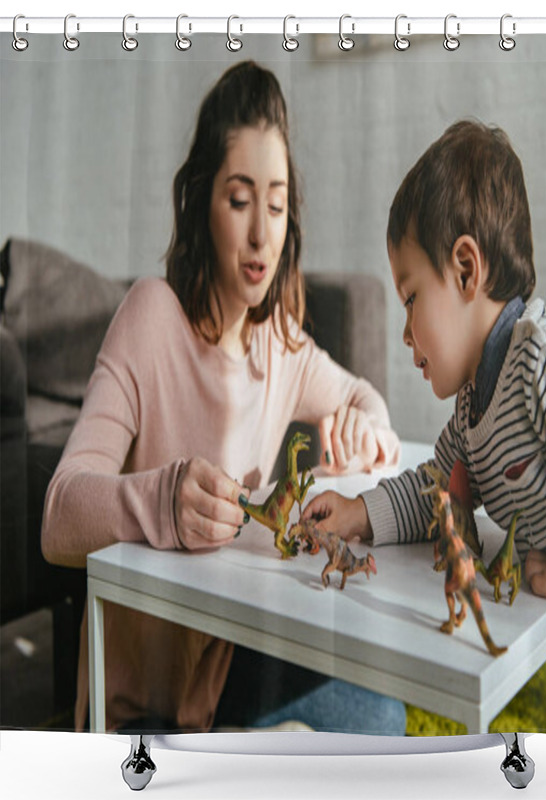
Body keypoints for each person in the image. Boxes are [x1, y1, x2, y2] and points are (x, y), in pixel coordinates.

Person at [41, 61, 405, 736]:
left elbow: (367, 400)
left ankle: (252, 750)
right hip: (140, 708)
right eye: (240, 202)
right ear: (202, 202)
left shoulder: (280, 345)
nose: (262, 235)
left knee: (381, 715)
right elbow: (58, 513)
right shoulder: (152, 316)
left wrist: (363, 423)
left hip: (229, 666)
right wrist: (162, 498)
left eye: (275, 204)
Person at [304, 120, 546, 736]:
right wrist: (360, 512)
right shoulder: (472, 403)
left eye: (410, 298)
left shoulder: (541, 363)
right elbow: (437, 483)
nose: (405, 333)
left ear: (465, 269)